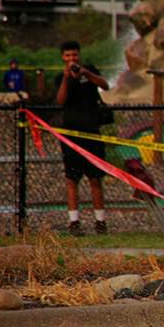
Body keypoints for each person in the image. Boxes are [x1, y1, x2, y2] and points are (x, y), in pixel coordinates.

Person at [54, 40, 110, 236]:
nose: (72, 59)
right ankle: (74, 221)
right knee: (72, 179)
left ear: (79, 55)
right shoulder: (61, 76)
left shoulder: (89, 70)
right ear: (63, 57)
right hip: (71, 134)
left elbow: (105, 85)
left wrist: (86, 73)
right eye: (68, 56)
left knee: (95, 178)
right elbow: (60, 101)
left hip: (92, 131)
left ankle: (100, 221)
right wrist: (67, 78)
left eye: (75, 55)